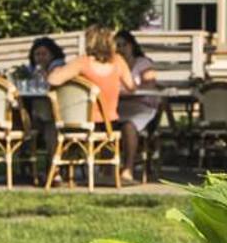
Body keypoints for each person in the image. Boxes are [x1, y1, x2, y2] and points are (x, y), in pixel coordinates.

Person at [47, 25, 134, 173]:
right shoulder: (118, 61)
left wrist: (56, 70)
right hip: (108, 123)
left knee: (50, 125)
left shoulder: (82, 62)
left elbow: (53, 80)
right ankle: (107, 171)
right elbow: (131, 87)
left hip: (80, 122)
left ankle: (57, 172)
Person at [114, 29, 160, 177]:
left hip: (142, 106)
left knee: (129, 125)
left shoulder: (143, 63)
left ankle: (128, 168)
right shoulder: (114, 65)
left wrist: (129, 91)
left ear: (132, 45)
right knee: (104, 123)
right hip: (119, 106)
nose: (120, 49)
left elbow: (150, 84)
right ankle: (107, 169)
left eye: (123, 45)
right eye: (117, 45)